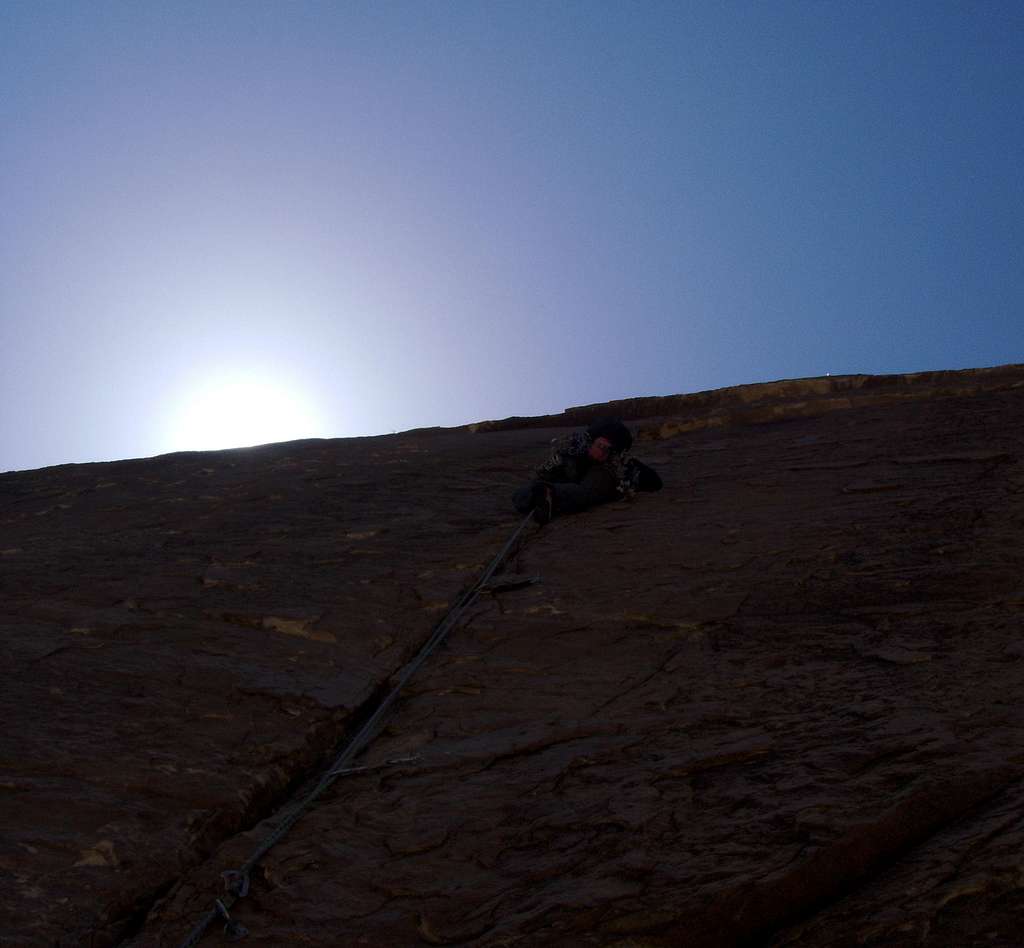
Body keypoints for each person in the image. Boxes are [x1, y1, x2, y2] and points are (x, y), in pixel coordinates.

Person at [512, 418, 662, 524]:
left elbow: (655, 482)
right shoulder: (572, 450)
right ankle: (540, 496)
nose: (603, 453)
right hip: (564, 480)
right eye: (601, 446)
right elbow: (543, 473)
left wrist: (631, 471)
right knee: (522, 493)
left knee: (587, 492)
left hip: (597, 477)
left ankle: (550, 494)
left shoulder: (614, 466)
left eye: (609, 451)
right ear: (592, 440)